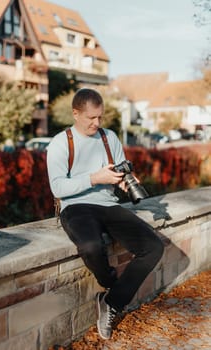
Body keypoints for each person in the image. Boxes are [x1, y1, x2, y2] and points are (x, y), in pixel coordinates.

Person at [47, 88, 164, 340]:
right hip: (75, 206)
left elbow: (118, 173)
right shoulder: (59, 143)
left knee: (153, 246)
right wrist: (94, 177)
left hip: (109, 205)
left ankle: (111, 302)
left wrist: (125, 182)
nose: (97, 123)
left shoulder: (108, 137)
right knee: (90, 246)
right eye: (91, 118)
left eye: (100, 117)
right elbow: (57, 187)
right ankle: (111, 283)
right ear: (75, 113)